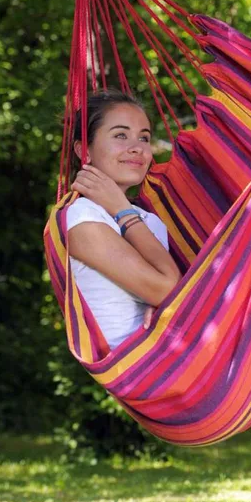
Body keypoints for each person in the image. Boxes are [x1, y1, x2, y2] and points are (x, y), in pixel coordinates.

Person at [66, 90, 181, 350]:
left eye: (144, 137)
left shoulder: (148, 220)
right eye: (120, 135)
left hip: (169, 351)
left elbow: (175, 298)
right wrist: (122, 209)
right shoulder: (82, 216)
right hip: (140, 369)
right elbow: (168, 290)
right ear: (84, 150)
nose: (137, 147)